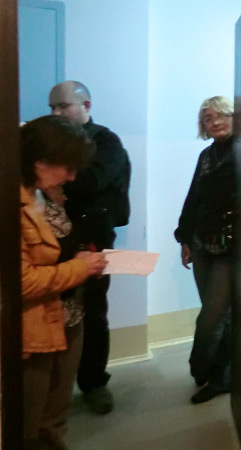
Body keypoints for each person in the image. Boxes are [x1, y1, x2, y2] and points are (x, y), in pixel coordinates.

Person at [20, 115, 108, 449]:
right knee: (28, 421)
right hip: (34, 326)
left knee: (57, 412)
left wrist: (81, 256)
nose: (72, 177)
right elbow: (23, 281)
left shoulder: (43, 194)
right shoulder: (14, 202)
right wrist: (79, 268)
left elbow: (59, 246)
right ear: (41, 160)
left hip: (69, 313)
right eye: (69, 167)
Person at [48, 80, 132, 414]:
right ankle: (54, 387)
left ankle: (94, 382)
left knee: (94, 312)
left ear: (86, 106)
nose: (56, 113)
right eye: (52, 107)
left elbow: (89, 183)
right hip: (53, 239)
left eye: (63, 106)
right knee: (52, 310)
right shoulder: (53, 142)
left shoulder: (105, 142)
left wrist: (52, 176)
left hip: (93, 239)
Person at [175, 96, 235, 404]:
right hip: (201, 243)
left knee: (211, 317)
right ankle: (221, 377)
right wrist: (184, 239)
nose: (215, 122)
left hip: (229, 248)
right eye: (208, 118)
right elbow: (193, 199)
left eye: (221, 115)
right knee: (218, 315)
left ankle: (200, 367)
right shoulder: (206, 155)